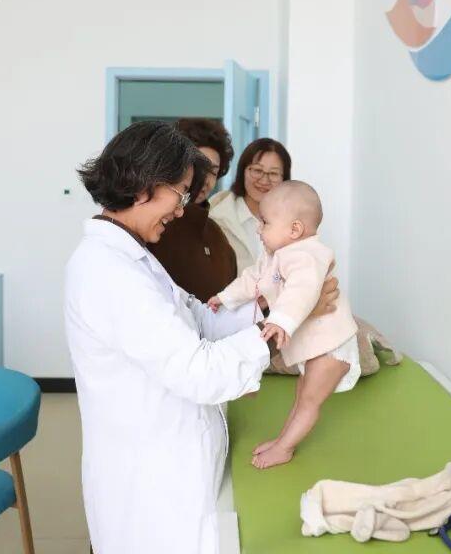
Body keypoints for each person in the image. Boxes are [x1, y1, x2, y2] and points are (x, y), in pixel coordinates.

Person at [64, 122, 338, 554]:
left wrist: (277, 309)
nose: (181, 209)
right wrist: (282, 327)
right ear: (144, 185)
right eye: (180, 193)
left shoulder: (134, 258)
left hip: (173, 467)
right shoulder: (109, 273)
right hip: (152, 486)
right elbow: (199, 371)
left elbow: (198, 321)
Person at [209, 181, 358, 469]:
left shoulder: (307, 255)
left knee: (309, 401)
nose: (258, 229)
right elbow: (252, 280)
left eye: (264, 222)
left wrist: (280, 321)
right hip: (317, 345)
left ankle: (285, 448)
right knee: (301, 396)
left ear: (295, 229)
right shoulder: (275, 256)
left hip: (333, 345)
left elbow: (302, 291)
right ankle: (282, 441)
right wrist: (225, 298)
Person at [147, 118, 238, 301]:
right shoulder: (153, 225)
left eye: (213, 171)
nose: (205, 179)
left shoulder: (217, 235)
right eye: (198, 166)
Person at [209, 137, 292, 273]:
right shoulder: (217, 218)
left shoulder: (294, 222)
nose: (264, 180)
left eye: (273, 173)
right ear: (243, 171)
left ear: (284, 179)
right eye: (257, 170)